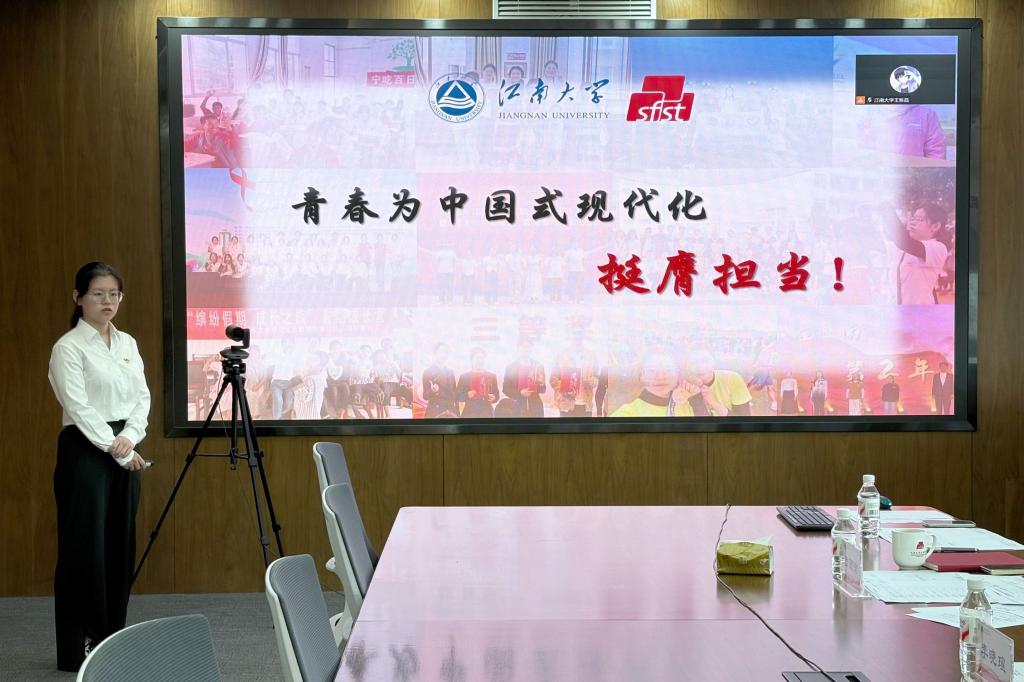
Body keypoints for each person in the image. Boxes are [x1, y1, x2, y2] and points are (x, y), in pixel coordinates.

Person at [48, 262, 149, 671]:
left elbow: (142, 397)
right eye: (98, 294)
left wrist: (131, 437)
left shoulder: (127, 342)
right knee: (83, 548)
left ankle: (111, 640)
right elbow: (78, 406)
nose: (108, 301)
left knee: (120, 546)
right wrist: (118, 448)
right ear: (78, 298)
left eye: (114, 294)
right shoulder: (68, 347)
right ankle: (78, 648)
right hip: (86, 450)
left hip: (125, 445)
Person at [887, 204, 951, 304]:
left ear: (935, 226)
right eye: (913, 218)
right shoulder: (903, 250)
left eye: (919, 219)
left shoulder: (938, 248)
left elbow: (905, 242)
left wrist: (887, 210)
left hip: (921, 311)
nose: (912, 222)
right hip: (900, 310)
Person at [611, 350, 691, 417]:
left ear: (678, 375)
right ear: (641, 376)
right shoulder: (627, 413)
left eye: (668, 370)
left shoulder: (684, 404)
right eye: (652, 371)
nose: (660, 377)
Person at [682, 350, 752, 416]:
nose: (700, 367)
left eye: (705, 361)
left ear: (714, 361)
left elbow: (744, 420)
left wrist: (713, 403)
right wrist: (696, 397)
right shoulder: (683, 389)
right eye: (693, 363)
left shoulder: (732, 379)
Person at [502, 340, 547, 417]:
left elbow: (543, 390)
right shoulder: (510, 368)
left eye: (528, 347)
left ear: (532, 348)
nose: (526, 349)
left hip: (536, 406)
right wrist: (520, 394)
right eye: (524, 347)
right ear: (518, 348)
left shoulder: (538, 366)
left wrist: (542, 384)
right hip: (518, 405)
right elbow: (506, 389)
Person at [457, 348, 499, 417]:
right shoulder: (464, 377)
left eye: (482, 358)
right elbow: (458, 396)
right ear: (471, 359)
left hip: (487, 412)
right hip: (470, 412)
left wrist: (494, 398)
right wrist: (467, 395)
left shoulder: (492, 376)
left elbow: (496, 395)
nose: (480, 360)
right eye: (477, 358)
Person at [422, 343, 458, 418]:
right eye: (441, 351)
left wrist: (456, 411)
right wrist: (432, 391)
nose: (444, 355)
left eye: (446, 352)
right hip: (435, 411)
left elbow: (454, 393)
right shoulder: (428, 372)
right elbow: (425, 396)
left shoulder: (450, 371)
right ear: (435, 353)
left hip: (450, 410)